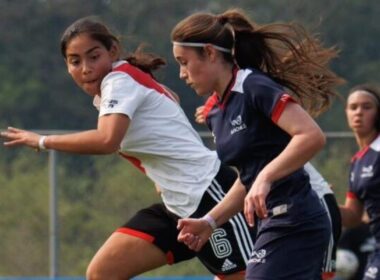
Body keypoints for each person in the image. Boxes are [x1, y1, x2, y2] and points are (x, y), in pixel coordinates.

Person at [0, 17, 257, 280]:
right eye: (75, 61)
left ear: (112, 52)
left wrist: (42, 141)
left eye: (94, 56)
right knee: (103, 272)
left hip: (209, 195)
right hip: (176, 205)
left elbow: (106, 140)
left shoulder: (118, 81)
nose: (86, 68)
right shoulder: (121, 84)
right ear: (67, 67)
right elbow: (170, 99)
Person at [171, 8, 344, 279]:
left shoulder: (253, 86)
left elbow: (311, 136)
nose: (182, 74)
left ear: (211, 53)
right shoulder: (214, 112)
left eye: (184, 62)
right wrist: (209, 222)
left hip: (297, 220)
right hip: (272, 223)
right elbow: (248, 178)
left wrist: (266, 177)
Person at [339, 84, 380, 280]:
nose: (359, 112)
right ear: (346, 112)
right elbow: (353, 216)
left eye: (367, 107)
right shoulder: (357, 161)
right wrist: (324, 201)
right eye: (353, 107)